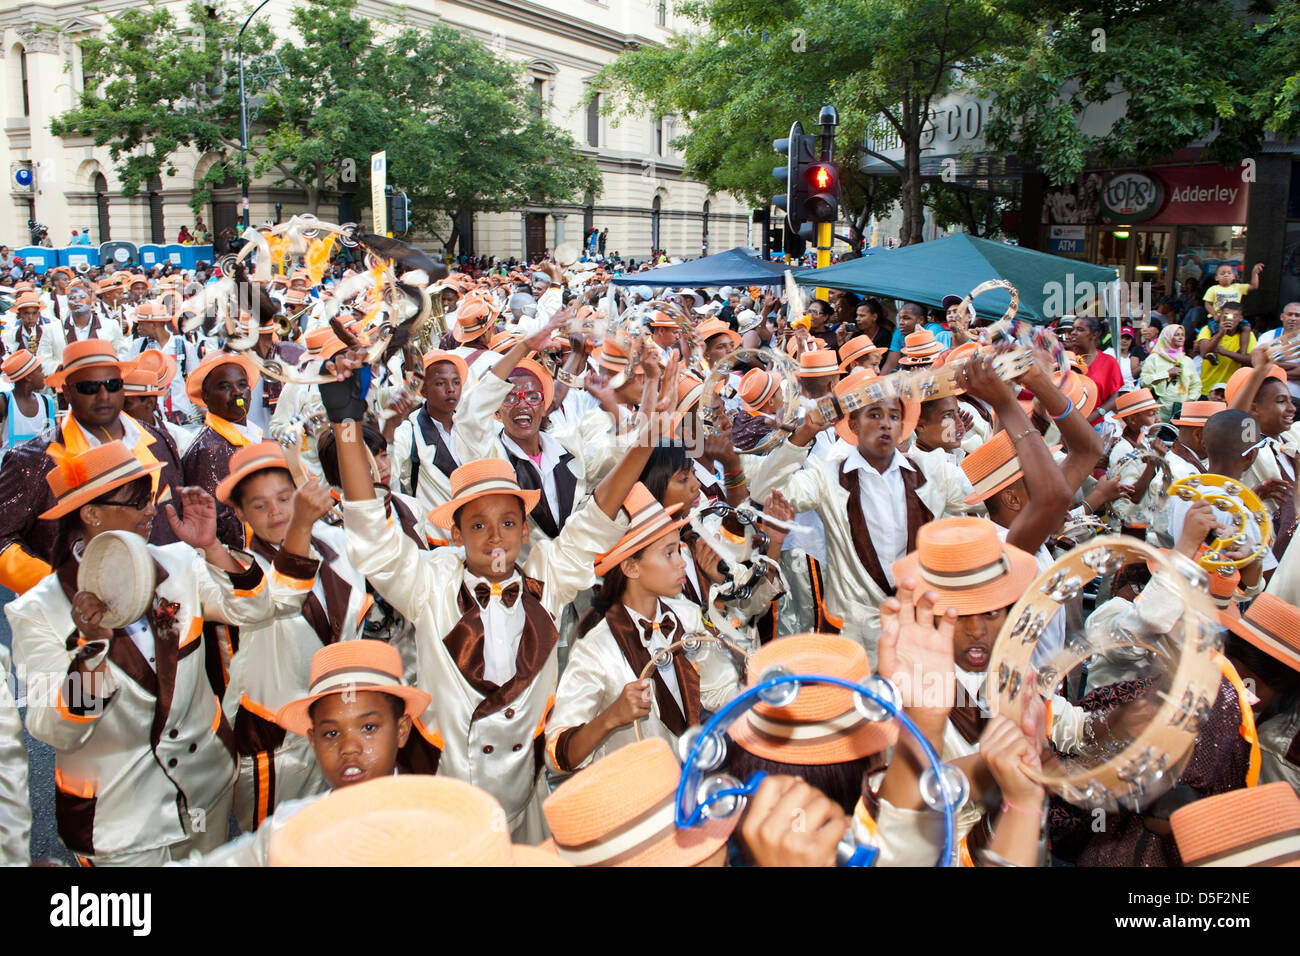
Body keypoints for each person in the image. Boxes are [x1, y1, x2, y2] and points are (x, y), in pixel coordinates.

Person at [319, 341, 675, 840]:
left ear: (525, 532)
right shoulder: (431, 585)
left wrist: (644, 443)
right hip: (447, 792)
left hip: (526, 796)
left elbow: (595, 519)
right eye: (478, 525)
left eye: (508, 522)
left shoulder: (547, 579)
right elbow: (372, 536)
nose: (495, 537)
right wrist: (347, 426)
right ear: (456, 535)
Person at [6, 441, 275, 865]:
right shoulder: (37, 611)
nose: (151, 511)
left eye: (150, 497)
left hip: (206, 793)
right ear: (91, 514)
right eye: (137, 502)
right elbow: (52, 728)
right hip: (121, 826)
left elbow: (257, 608)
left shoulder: (180, 563)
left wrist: (211, 548)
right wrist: (91, 650)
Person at [213, 442, 373, 831]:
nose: (277, 513)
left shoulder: (337, 545)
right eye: (259, 505)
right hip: (276, 748)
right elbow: (277, 599)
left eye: (285, 498)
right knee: (278, 849)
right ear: (240, 513)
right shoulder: (232, 571)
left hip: (341, 732)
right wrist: (302, 524)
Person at [183, 639, 432, 866]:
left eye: (368, 728)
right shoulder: (289, 828)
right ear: (313, 741)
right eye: (331, 734)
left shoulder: (434, 824)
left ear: (401, 730)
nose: (349, 748)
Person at [0, 340, 184, 594]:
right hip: (76, 622)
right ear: (66, 392)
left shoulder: (160, 442)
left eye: (112, 385)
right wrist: (61, 586)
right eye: (88, 387)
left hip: (164, 610)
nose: (103, 396)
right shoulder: (32, 460)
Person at [181, 351, 264, 549]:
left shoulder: (252, 436)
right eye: (224, 386)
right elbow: (221, 526)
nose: (237, 392)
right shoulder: (207, 450)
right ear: (206, 397)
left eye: (242, 384)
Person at [0, 351, 55, 461]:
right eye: (40, 371)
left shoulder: (46, 402)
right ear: (28, 377)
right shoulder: (4, 401)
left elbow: (52, 440)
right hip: (8, 471)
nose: (44, 375)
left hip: (37, 470)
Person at [1197, 301, 1257, 397]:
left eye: (1235, 316)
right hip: (1208, 389)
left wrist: (1224, 352)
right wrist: (1220, 333)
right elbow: (1204, 353)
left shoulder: (1248, 335)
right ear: (1220, 315)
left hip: (1233, 391)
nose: (1230, 319)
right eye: (1227, 315)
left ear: (1241, 318)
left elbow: (1251, 361)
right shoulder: (1207, 330)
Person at [1067, 316, 1123, 417]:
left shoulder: (1109, 362)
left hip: (1097, 424)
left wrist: (1095, 415)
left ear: (1094, 334)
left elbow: (1114, 397)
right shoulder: (1067, 358)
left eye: (1080, 329)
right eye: (1073, 329)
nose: (1073, 333)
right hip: (1065, 422)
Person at [1140, 324, 1200, 418]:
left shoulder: (1187, 361)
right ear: (1167, 337)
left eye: (1182, 335)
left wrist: (1190, 401)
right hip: (1158, 412)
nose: (1180, 337)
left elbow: (1196, 385)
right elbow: (1144, 381)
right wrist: (1167, 374)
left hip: (1181, 412)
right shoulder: (1154, 358)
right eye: (1176, 335)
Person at [880, 302, 950, 374]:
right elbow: (890, 365)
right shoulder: (899, 332)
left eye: (906, 318)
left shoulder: (933, 329)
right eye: (900, 318)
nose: (901, 322)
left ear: (920, 320)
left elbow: (932, 359)